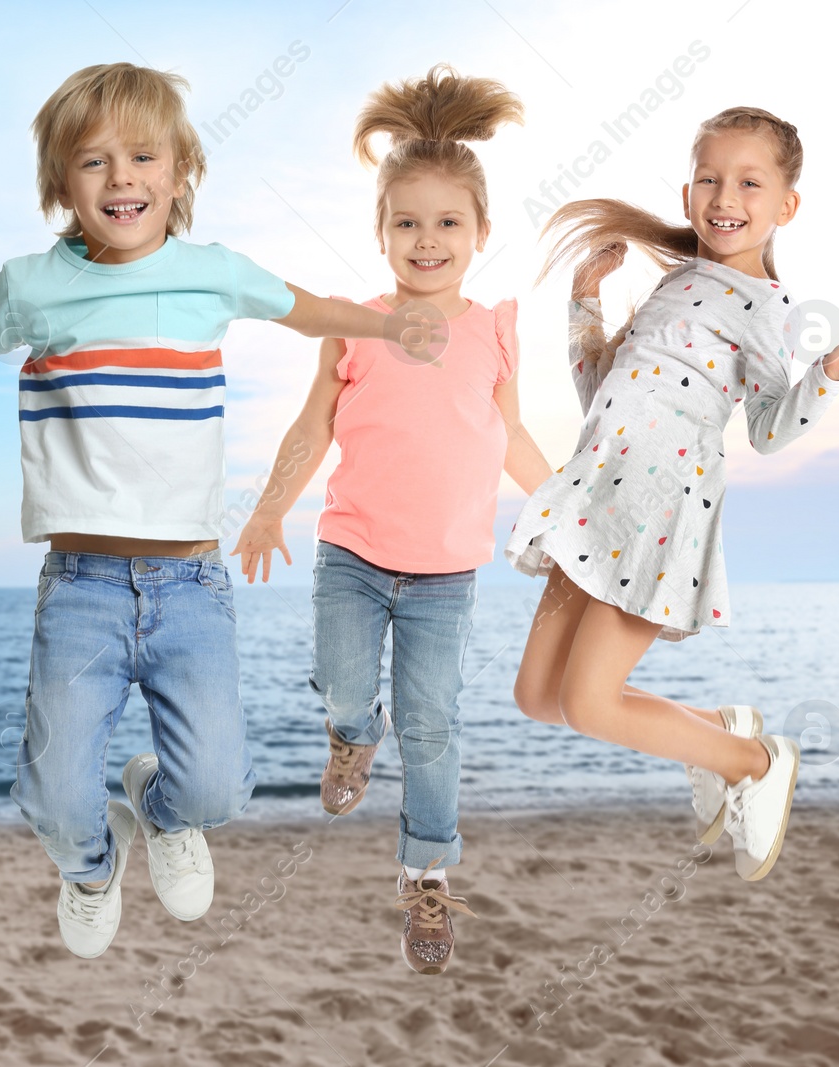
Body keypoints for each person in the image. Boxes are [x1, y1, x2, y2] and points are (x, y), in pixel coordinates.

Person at [0, 62, 429, 959]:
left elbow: (311, 313)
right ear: (59, 183)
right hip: (81, 587)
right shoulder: (31, 286)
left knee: (218, 790)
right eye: (93, 161)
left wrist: (391, 326)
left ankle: (160, 807)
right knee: (54, 797)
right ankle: (92, 866)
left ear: (180, 173)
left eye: (143, 156)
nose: (122, 179)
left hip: (192, 582)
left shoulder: (213, 275)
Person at [505, 106, 839, 882]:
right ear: (686, 195)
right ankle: (721, 726)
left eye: (749, 181)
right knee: (539, 696)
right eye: (710, 178)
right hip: (592, 499)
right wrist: (585, 304)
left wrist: (828, 376)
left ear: (786, 205)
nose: (725, 195)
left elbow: (771, 428)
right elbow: (602, 393)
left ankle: (753, 759)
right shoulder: (677, 282)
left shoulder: (766, 307)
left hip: (656, 515)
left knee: (591, 703)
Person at [233, 66, 551, 974]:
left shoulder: (494, 330)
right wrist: (266, 513)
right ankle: (348, 734)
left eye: (448, 221)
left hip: (447, 576)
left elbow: (512, 434)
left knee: (435, 724)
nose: (427, 238)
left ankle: (427, 877)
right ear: (381, 232)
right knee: (344, 684)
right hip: (354, 555)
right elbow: (313, 425)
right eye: (406, 221)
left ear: (480, 233)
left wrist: (566, 501)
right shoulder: (354, 325)